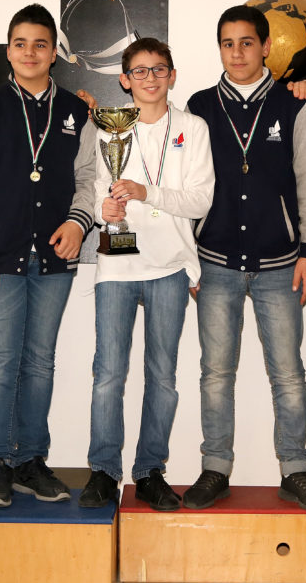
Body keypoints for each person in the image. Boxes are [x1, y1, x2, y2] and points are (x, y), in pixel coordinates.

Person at [183, 5, 306, 514]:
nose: (237, 53)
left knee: (288, 374)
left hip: (280, 264)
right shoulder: (199, 106)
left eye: (247, 42)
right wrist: (188, 258)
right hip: (215, 263)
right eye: (228, 44)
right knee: (215, 374)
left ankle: (295, 470)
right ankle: (215, 468)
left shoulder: (294, 104)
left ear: (266, 47)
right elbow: (183, 185)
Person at [0, 3, 95, 508]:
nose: (30, 52)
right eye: (20, 44)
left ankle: (31, 459)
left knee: (39, 363)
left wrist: (78, 223)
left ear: (54, 54)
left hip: (55, 260)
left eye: (40, 44)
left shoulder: (77, 112)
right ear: (8, 52)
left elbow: (89, 180)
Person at [78, 38, 214, 511]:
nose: (150, 78)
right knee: (107, 375)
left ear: (172, 75)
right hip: (117, 266)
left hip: (171, 267)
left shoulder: (193, 128)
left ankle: (150, 471)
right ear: (124, 79)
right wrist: (107, 208)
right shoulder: (107, 128)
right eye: (140, 71)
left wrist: (145, 192)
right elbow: (96, 188)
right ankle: (103, 471)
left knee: (162, 377)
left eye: (159, 69)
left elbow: (200, 200)